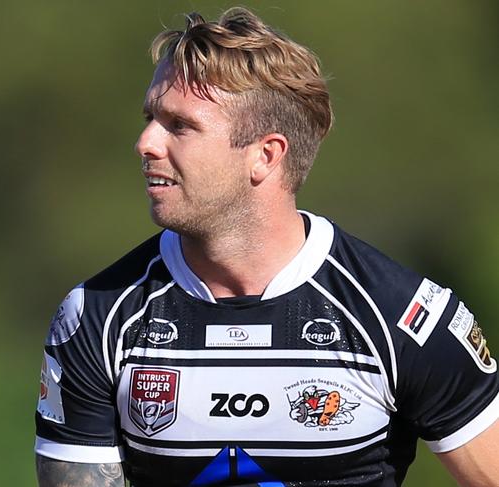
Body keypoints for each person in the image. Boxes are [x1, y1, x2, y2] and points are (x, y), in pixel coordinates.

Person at [34, 7, 499, 487]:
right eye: (150, 117)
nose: (145, 142)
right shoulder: (94, 317)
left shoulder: (405, 317)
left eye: (179, 125)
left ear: (265, 155)